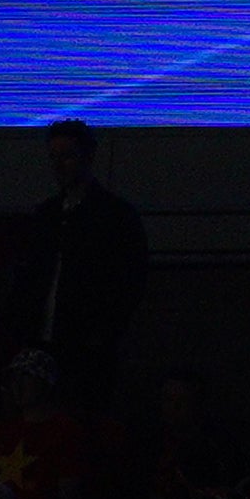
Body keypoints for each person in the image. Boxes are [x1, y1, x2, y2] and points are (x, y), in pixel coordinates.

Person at [14, 120, 148, 379]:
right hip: (49, 341)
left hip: (86, 346)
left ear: (88, 157)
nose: (58, 164)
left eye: (66, 156)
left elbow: (129, 281)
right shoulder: (47, 214)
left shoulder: (115, 216)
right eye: (54, 157)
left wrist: (101, 333)